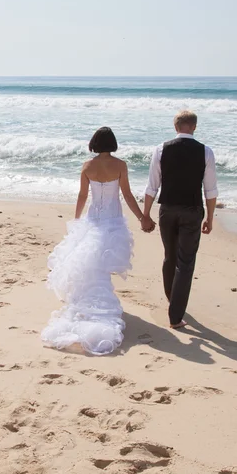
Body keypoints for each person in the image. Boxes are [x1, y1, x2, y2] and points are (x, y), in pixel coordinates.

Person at [41, 127, 155, 355]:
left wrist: (76, 220)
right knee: (101, 264)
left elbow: (83, 195)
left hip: (93, 219)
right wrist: (142, 217)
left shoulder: (87, 166)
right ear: (112, 143)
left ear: (94, 143)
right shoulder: (120, 165)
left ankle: (89, 302)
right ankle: (101, 306)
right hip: (112, 220)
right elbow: (127, 195)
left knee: (91, 263)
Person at [141, 111, 218, 329]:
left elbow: (152, 186)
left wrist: (145, 214)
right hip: (192, 211)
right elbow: (210, 190)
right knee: (186, 263)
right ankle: (175, 316)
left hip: (167, 210)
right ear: (194, 127)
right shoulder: (206, 151)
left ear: (176, 127)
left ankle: (172, 298)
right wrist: (210, 218)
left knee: (169, 256)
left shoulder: (161, 149)